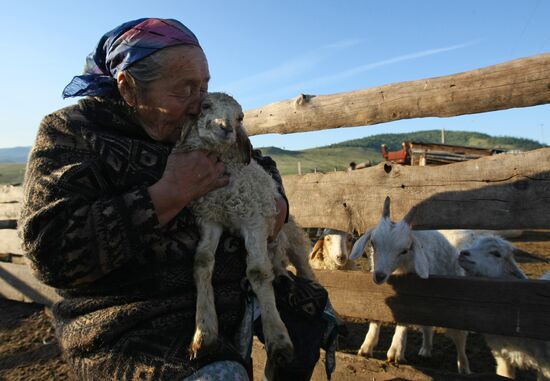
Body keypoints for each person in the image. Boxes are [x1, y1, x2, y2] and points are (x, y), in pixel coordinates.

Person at [19, 18, 334, 381]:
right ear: (129, 88)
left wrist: (277, 204)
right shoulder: (73, 133)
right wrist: (167, 194)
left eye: (203, 86)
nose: (198, 102)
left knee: (306, 323)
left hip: (235, 288)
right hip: (131, 318)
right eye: (184, 90)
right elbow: (51, 252)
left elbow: (257, 162)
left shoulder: (196, 120)